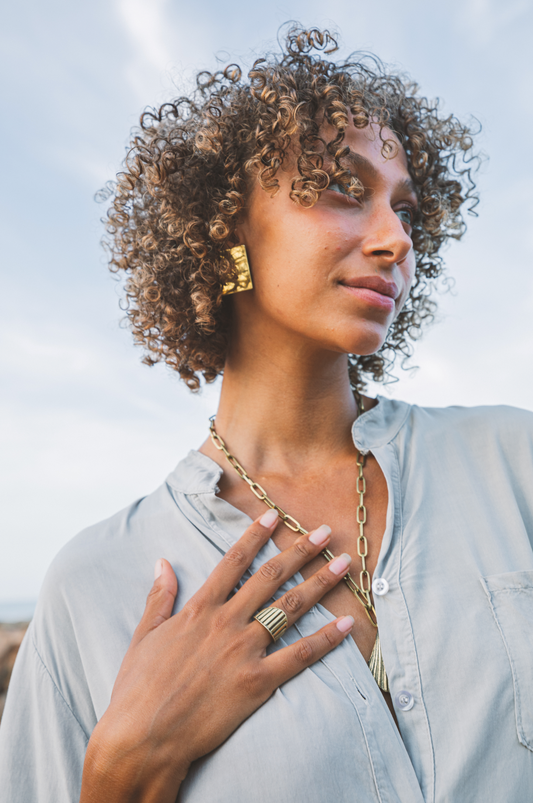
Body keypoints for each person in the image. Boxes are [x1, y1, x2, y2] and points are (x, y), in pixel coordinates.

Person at [1, 25, 533, 803]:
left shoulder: (511, 462)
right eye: (343, 189)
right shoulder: (96, 583)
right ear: (225, 234)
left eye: (406, 210)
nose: (394, 240)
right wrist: (120, 772)